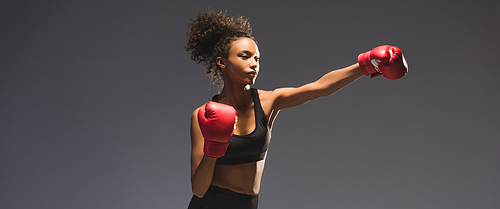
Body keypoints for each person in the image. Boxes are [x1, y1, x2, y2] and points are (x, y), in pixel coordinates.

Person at [185, 10, 408, 209]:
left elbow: (319, 87)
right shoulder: (202, 115)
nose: (254, 63)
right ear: (222, 62)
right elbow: (199, 189)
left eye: (257, 58)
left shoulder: (270, 101)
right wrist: (213, 149)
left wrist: (367, 63)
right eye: (245, 56)